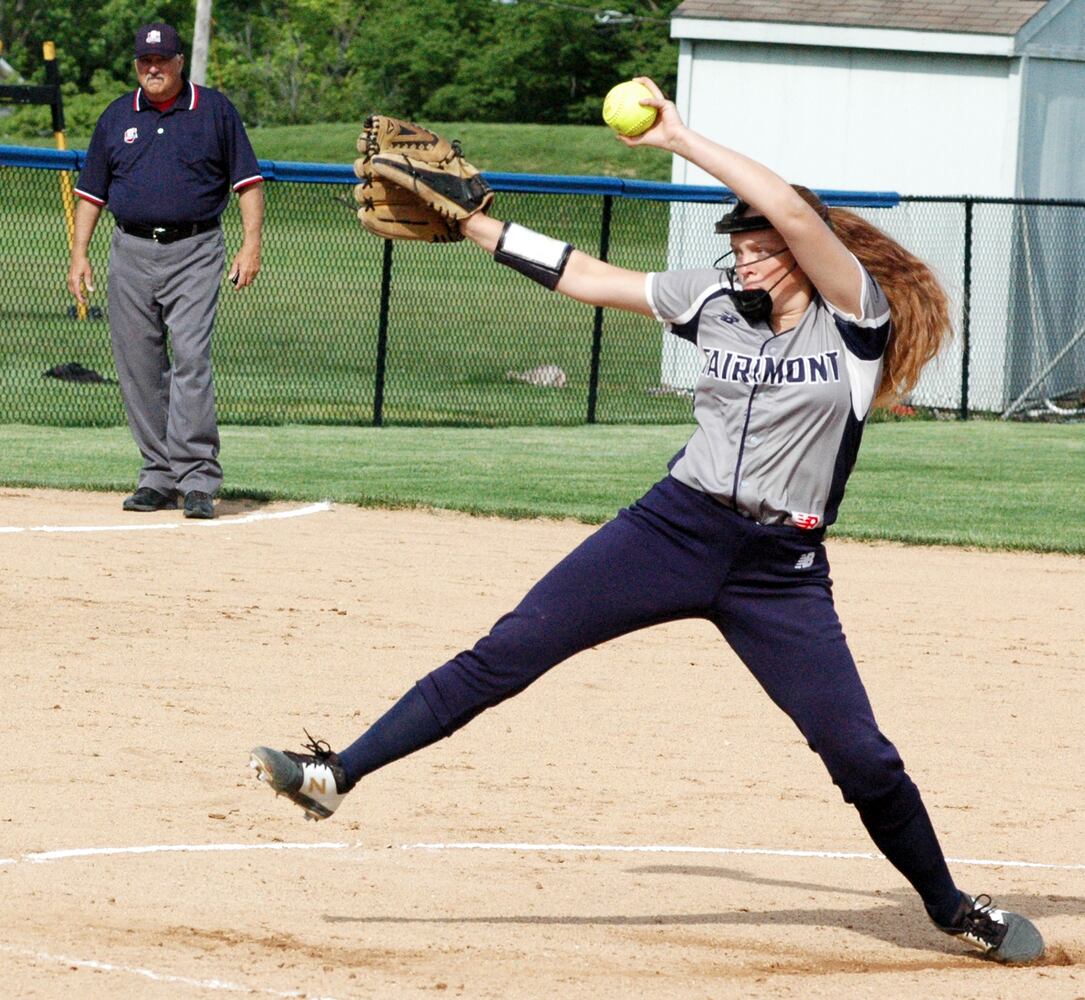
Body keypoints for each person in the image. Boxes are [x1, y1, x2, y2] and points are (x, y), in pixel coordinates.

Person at [250, 78, 1044, 964]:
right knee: (508, 651)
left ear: (794, 250)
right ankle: (334, 773)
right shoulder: (711, 302)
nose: (739, 259)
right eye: (735, 246)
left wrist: (678, 137)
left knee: (858, 755)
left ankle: (950, 909)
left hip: (777, 571)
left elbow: (784, 201)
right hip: (671, 528)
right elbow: (585, 277)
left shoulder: (856, 321)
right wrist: (474, 225)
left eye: (752, 246)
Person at [66, 22, 264, 520]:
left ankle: (198, 478)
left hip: (196, 247)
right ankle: (158, 475)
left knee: (192, 359)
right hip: (130, 248)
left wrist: (251, 246)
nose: (152, 69)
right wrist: (79, 255)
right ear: (137, 65)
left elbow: (248, 184)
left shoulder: (213, 110)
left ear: (179, 62)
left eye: (162, 60)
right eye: (144, 61)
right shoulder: (117, 116)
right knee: (138, 367)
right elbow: (91, 193)